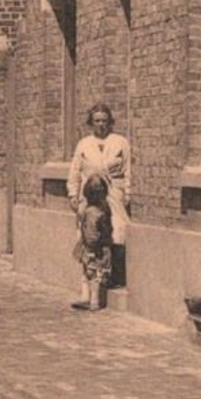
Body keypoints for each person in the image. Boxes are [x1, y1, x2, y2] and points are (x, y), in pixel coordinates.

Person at [68, 104, 132, 288]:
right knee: (91, 234)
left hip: (113, 192)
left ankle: (114, 276)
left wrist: (127, 193)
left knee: (117, 231)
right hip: (90, 195)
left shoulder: (120, 142)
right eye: (97, 121)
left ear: (109, 122)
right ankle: (90, 281)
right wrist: (73, 194)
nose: (101, 124)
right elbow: (75, 171)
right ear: (91, 123)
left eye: (104, 120)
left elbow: (128, 170)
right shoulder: (84, 144)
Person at [71, 174, 114, 311]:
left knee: (91, 273)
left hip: (94, 248)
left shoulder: (91, 213)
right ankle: (91, 298)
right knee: (95, 273)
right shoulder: (104, 210)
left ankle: (93, 300)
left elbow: (91, 235)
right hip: (102, 246)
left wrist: (90, 248)